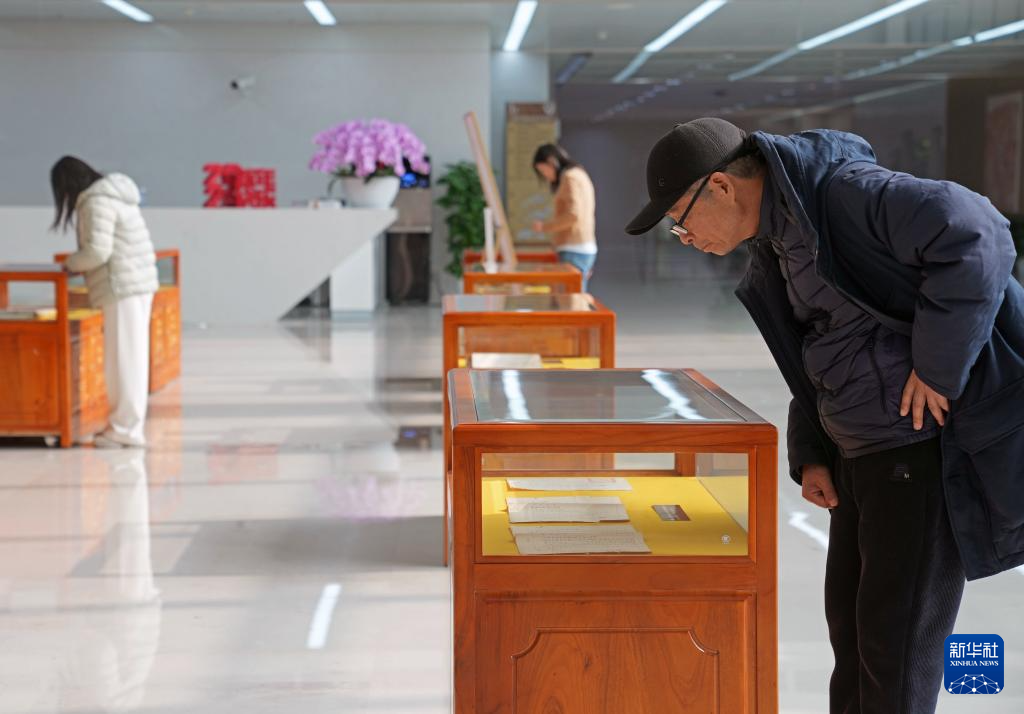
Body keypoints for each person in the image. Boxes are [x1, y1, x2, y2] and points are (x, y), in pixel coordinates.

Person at [626, 118, 1024, 714]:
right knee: (855, 641)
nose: (684, 236)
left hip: (919, 451)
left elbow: (979, 232)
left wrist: (938, 368)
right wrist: (813, 449)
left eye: (680, 220)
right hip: (860, 454)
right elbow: (817, 347)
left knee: (896, 655)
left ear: (722, 187)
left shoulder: (846, 195)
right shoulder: (781, 238)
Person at [52, 156, 158, 449]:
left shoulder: (96, 201)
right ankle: (127, 426)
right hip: (135, 284)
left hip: (121, 286)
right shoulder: (115, 195)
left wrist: (70, 264)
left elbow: (98, 251)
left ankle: (126, 430)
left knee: (124, 360)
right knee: (130, 357)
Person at [531, 144, 598, 291]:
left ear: (551, 161)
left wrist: (544, 227)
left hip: (574, 248)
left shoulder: (570, 177)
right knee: (575, 296)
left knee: (571, 299)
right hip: (580, 247)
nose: (545, 176)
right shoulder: (579, 174)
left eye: (543, 170)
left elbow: (574, 215)